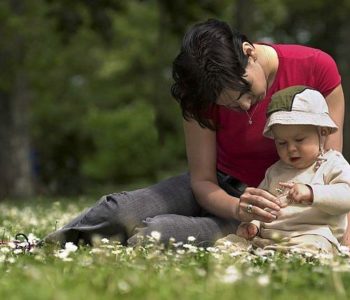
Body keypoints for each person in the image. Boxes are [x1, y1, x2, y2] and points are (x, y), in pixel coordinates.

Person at [44, 18, 347, 247]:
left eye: (246, 91)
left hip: (279, 205)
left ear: (249, 52)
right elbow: (202, 181)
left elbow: (333, 170)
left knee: (156, 234)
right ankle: (42, 244)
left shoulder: (315, 68)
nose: (244, 106)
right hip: (220, 189)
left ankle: (207, 230)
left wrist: (344, 238)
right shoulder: (199, 94)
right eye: (228, 105)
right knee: (119, 212)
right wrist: (237, 207)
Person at [216, 86, 350, 254]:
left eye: (299, 139)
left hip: (312, 234)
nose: (291, 148)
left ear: (322, 132)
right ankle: (258, 255)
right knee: (229, 244)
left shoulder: (332, 164)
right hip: (270, 236)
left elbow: (346, 195)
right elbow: (261, 204)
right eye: (282, 143)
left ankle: (286, 258)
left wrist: (312, 193)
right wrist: (254, 225)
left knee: (313, 247)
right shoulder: (275, 171)